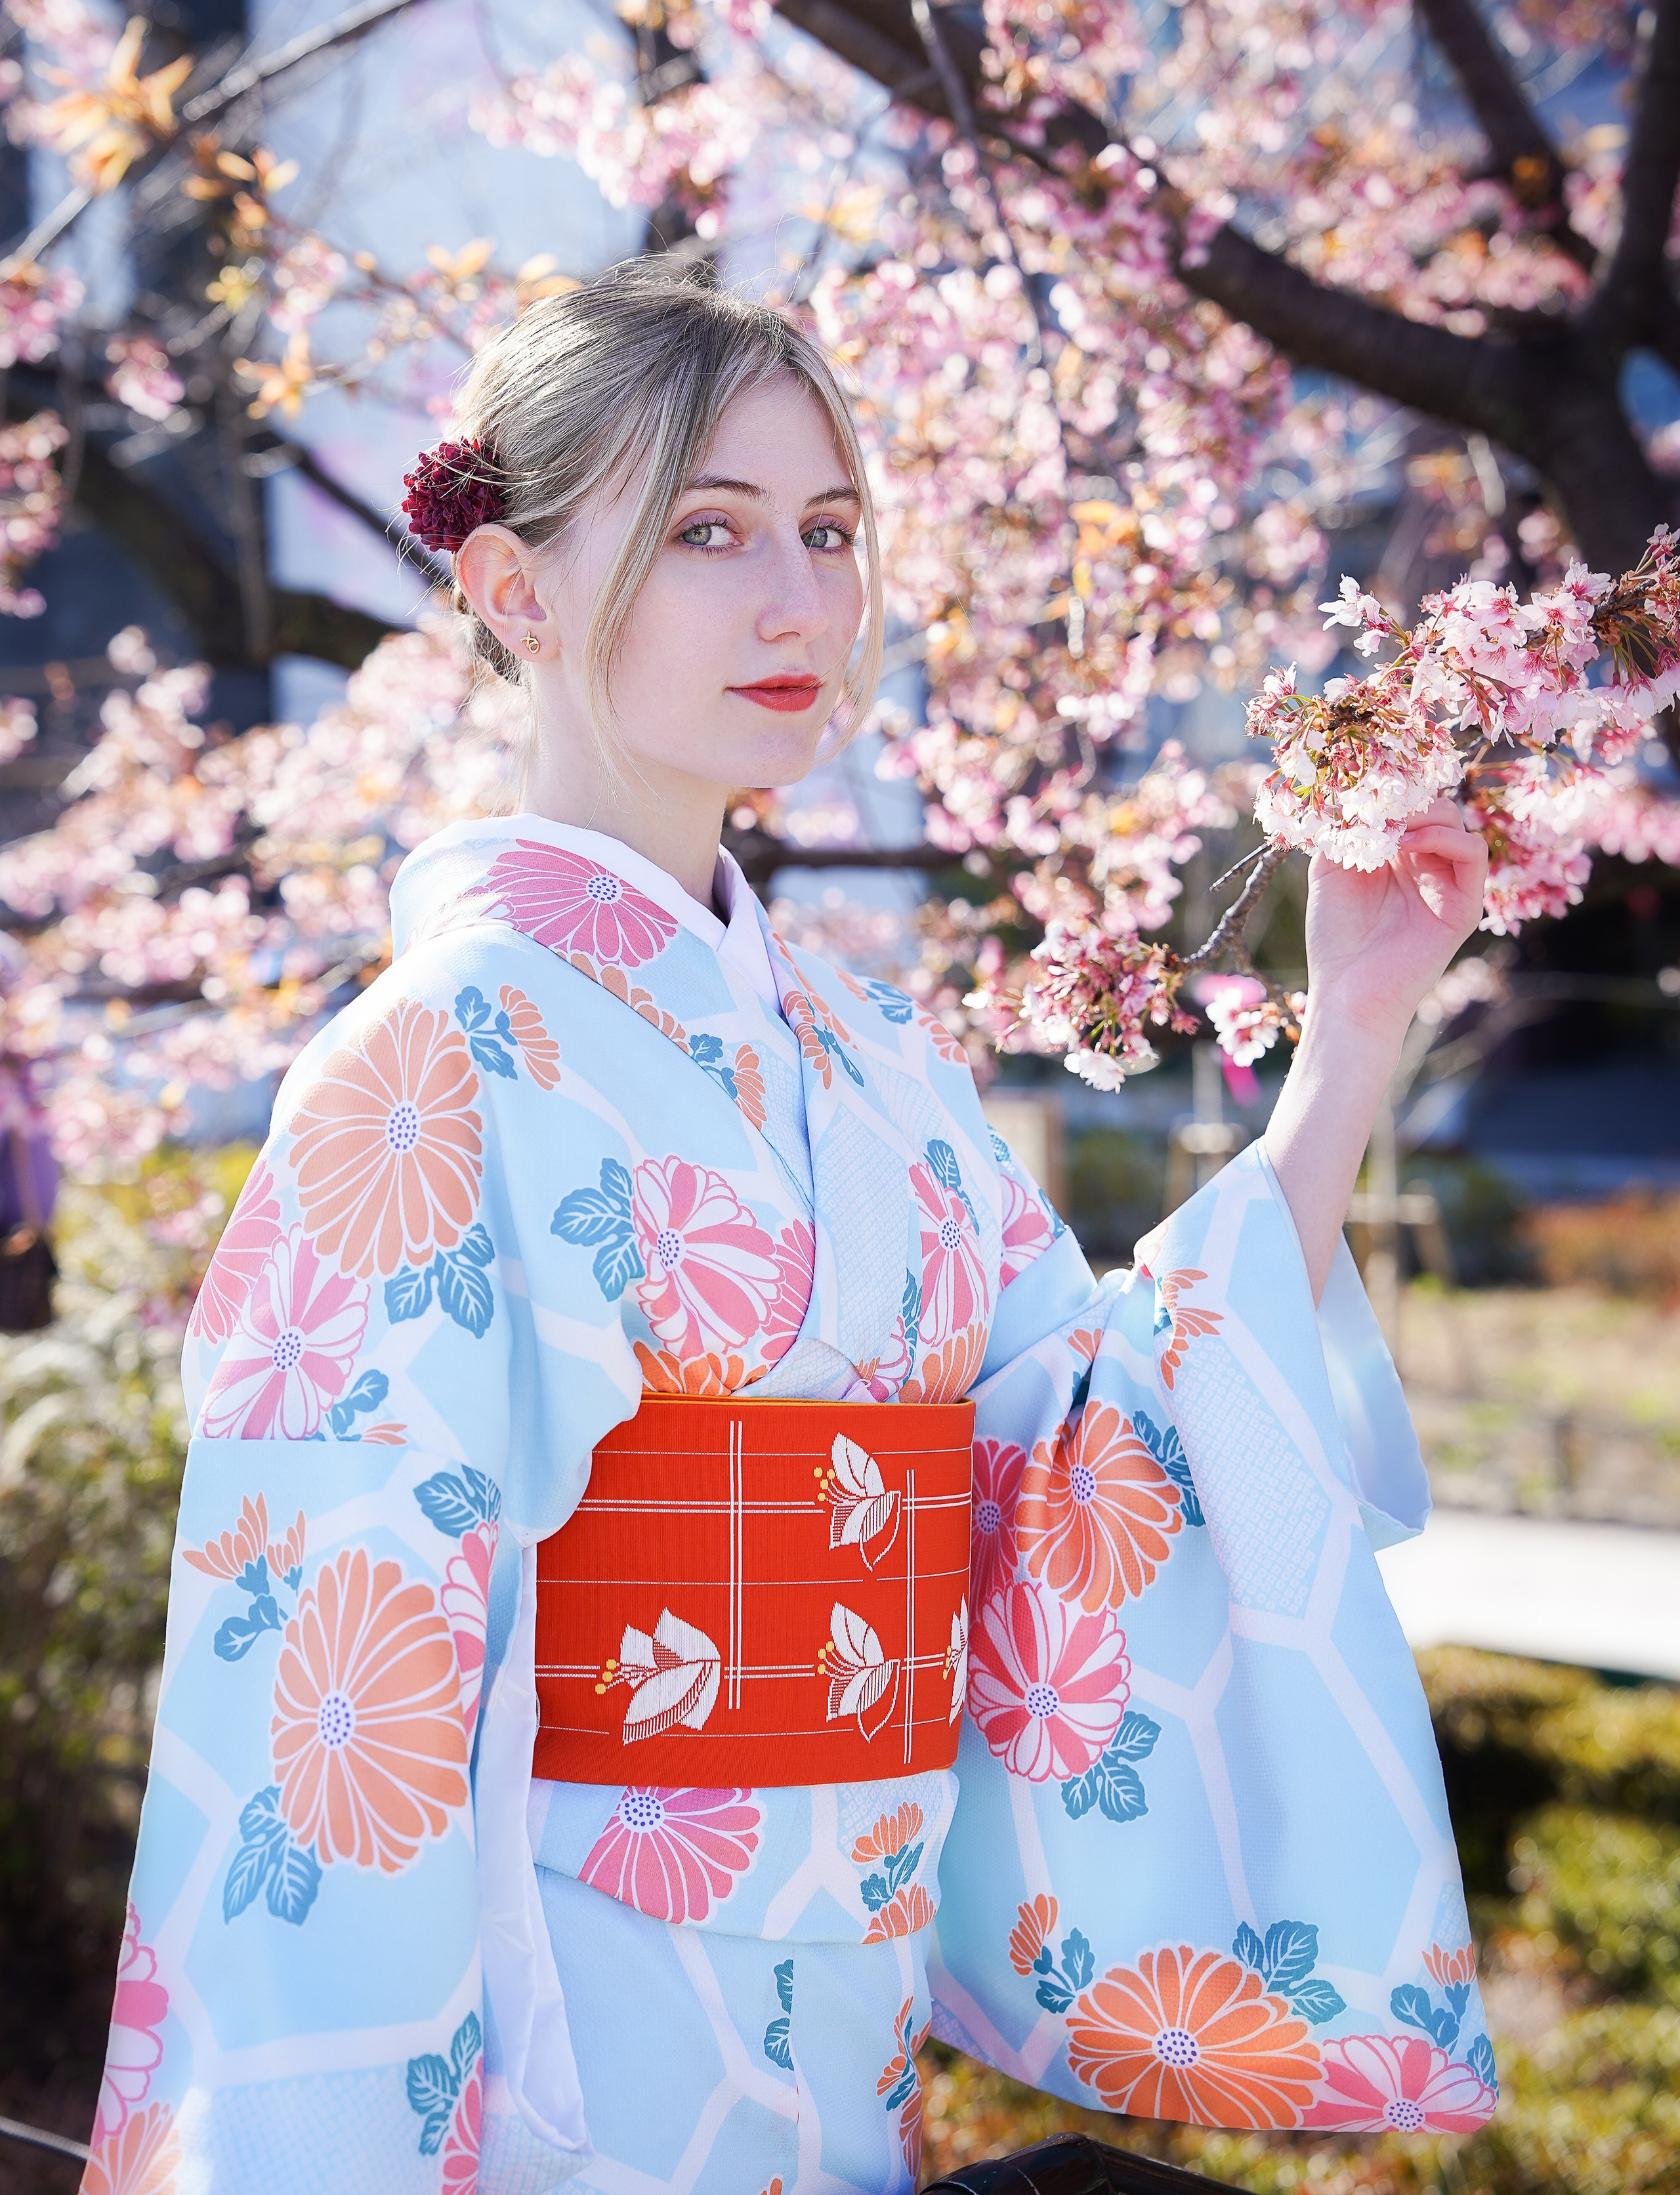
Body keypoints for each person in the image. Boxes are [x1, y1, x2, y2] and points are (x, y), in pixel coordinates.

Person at [82, 264, 1495, 2195]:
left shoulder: (876, 1056)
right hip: (571, 2012)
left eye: (829, 534)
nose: (802, 604)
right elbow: (331, 1703)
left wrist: (1352, 1034)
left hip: (851, 1996)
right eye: (708, 533)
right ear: (514, 590)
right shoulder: (432, 1067)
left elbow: (1095, 1460)